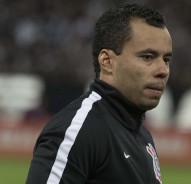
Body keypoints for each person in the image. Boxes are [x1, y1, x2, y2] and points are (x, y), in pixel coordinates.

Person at [26, 3, 172, 184]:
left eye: (166, 59)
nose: (163, 70)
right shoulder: (77, 131)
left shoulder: (142, 135)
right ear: (107, 61)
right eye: (147, 57)